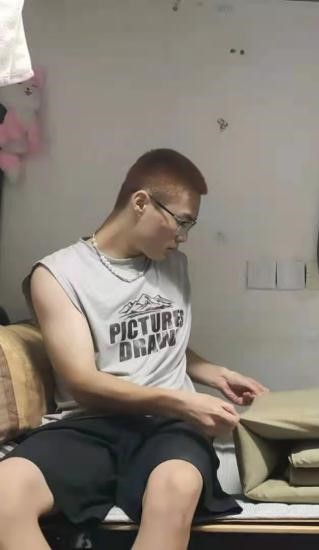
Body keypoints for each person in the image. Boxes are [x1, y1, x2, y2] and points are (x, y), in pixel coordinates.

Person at [0, 149, 268, 550]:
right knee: (6, 492)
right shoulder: (57, 274)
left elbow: (155, 340)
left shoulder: (174, 265)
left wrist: (213, 373)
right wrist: (184, 402)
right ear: (141, 202)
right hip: (90, 424)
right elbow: (84, 383)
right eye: (181, 221)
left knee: (176, 487)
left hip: (168, 428)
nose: (183, 236)